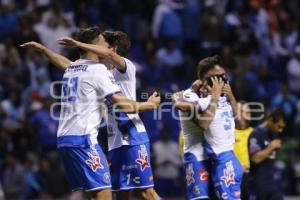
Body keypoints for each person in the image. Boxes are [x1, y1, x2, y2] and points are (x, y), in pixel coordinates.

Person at [21, 27, 161, 200]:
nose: (104, 49)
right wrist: (44, 50)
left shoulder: (124, 67)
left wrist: (52, 48)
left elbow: (68, 64)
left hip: (129, 137)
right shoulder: (95, 70)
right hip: (97, 141)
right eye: (102, 43)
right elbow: (65, 62)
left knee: (140, 192)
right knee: (111, 194)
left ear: (113, 50)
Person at [174, 55, 243, 199]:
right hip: (197, 157)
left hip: (215, 159)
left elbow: (241, 124)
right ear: (203, 79)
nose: (222, 81)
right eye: (217, 77)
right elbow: (203, 123)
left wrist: (230, 97)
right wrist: (176, 100)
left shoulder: (218, 97)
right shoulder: (189, 95)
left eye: (224, 77)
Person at [248, 109, 286, 200]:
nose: (280, 130)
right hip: (257, 185)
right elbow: (255, 159)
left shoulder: (273, 134)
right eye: (279, 126)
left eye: (282, 127)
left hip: (271, 184)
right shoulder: (256, 134)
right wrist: (270, 147)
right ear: (270, 120)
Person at [233, 101, 253, 199]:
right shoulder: (230, 133)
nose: (246, 113)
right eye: (242, 111)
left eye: (248, 111)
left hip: (251, 177)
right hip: (234, 176)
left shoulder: (254, 133)